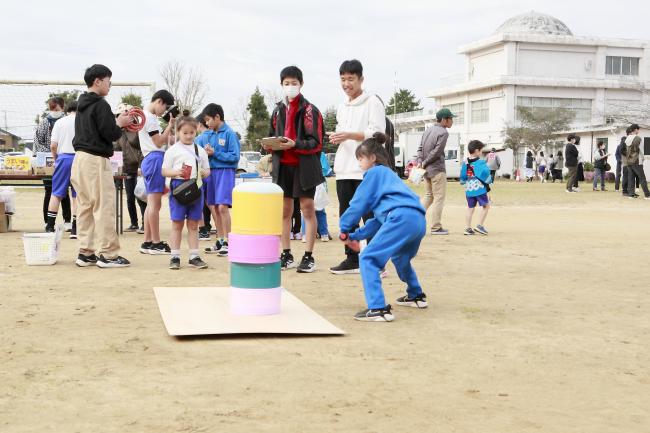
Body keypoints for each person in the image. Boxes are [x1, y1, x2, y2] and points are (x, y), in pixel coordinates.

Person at [339, 133, 427, 322]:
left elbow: (358, 203)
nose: (359, 164)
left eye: (360, 159)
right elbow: (378, 221)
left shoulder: (374, 173)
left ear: (371, 158)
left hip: (400, 218)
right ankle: (416, 295)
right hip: (417, 219)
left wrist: (344, 228)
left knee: (369, 258)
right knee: (401, 257)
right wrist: (356, 235)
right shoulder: (390, 177)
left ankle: (378, 308)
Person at [71, 64, 133, 267]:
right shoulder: (100, 104)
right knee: (103, 206)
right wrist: (121, 123)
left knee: (85, 207)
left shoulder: (81, 104)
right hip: (96, 160)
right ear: (98, 81)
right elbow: (111, 133)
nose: (110, 85)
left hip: (79, 160)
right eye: (108, 81)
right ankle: (108, 254)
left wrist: (115, 121)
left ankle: (86, 251)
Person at [329, 59, 386, 274]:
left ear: (361, 79)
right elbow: (343, 133)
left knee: (370, 216)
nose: (346, 84)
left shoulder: (372, 101)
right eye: (343, 79)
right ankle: (352, 258)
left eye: (350, 79)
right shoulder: (342, 107)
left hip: (365, 170)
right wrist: (339, 137)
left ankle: (376, 261)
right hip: (344, 168)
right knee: (347, 216)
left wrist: (351, 134)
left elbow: (378, 133)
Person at [265, 66, 324, 273]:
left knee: (307, 208)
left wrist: (295, 144)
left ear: (301, 84)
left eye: (294, 83)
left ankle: (308, 256)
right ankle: (286, 254)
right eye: (286, 83)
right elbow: (272, 134)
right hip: (282, 168)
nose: (290, 87)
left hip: (304, 167)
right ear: (281, 85)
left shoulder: (310, 110)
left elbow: (316, 143)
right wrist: (269, 144)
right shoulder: (277, 110)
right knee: (284, 212)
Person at [161, 116, 211, 269]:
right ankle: (174, 256)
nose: (189, 136)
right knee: (177, 223)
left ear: (196, 131)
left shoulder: (200, 150)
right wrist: (176, 172)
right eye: (185, 133)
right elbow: (164, 171)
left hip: (196, 188)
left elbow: (208, 170)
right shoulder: (172, 151)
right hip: (178, 188)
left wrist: (203, 173)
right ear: (178, 132)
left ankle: (194, 256)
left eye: (192, 132)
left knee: (194, 224)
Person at [138, 90, 176, 255]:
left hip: (149, 158)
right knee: (154, 203)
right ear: (159, 102)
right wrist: (169, 126)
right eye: (165, 107)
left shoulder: (144, 116)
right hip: (154, 159)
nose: (164, 111)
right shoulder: (151, 118)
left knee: (151, 203)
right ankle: (156, 242)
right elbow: (159, 142)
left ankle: (148, 241)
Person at [200, 103, 240, 257]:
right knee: (215, 207)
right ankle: (220, 240)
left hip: (225, 172)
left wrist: (215, 153)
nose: (207, 123)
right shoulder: (208, 135)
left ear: (217, 117)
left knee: (223, 207)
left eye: (209, 119)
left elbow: (235, 157)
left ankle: (230, 242)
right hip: (210, 173)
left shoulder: (230, 134)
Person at [35, 96, 72, 230]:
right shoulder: (44, 122)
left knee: (65, 193)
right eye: (51, 108)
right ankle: (48, 221)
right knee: (49, 191)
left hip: (62, 160)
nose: (53, 111)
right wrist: (50, 156)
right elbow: (38, 142)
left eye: (55, 108)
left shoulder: (65, 121)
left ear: (62, 107)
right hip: (49, 162)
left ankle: (68, 220)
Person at [416, 108, 455, 235]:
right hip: (437, 169)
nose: (452, 121)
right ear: (444, 120)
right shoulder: (443, 132)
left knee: (429, 196)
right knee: (439, 198)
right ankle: (436, 227)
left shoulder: (428, 130)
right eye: (450, 118)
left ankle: (414, 218)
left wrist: (421, 162)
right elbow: (437, 151)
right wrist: (425, 161)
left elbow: (420, 148)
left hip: (426, 170)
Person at [45, 101, 78, 238]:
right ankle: (75, 229)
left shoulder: (60, 122)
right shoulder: (84, 121)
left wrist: (56, 158)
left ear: (67, 110)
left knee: (56, 193)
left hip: (63, 158)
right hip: (79, 158)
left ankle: (50, 226)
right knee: (78, 195)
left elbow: (53, 145)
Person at [112, 103, 146, 233]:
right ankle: (134, 223)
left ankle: (145, 222)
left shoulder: (138, 131)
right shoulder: (117, 133)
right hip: (126, 168)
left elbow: (143, 149)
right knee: (130, 197)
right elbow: (116, 151)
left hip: (139, 167)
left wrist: (142, 167)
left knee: (141, 196)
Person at [460, 140, 493, 235]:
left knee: (470, 208)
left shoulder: (465, 162)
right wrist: (488, 181)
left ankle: (467, 228)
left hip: (469, 189)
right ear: (477, 151)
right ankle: (480, 225)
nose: (482, 152)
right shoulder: (480, 162)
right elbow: (486, 173)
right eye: (481, 150)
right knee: (486, 205)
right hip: (479, 188)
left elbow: (463, 175)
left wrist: (463, 181)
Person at [194, 114, 217, 242]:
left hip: (201, 174)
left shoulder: (198, 139)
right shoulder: (214, 135)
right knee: (213, 204)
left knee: (198, 203)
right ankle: (220, 229)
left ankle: (203, 230)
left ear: (199, 124)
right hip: (213, 173)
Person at [301, 151, 333, 242]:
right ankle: (306, 234)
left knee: (320, 210)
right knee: (306, 210)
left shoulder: (321, 154)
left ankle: (324, 233)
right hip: (306, 184)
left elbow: (325, 169)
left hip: (319, 185)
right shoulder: (302, 153)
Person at [624, 124, 650, 199]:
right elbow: (642, 150)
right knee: (642, 178)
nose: (639, 131)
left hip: (628, 161)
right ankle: (647, 195)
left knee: (631, 178)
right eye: (638, 129)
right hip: (637, 161)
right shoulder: (638, 138)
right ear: (635, 129)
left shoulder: (627, 138)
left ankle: (631, 194)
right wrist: (645, 158)